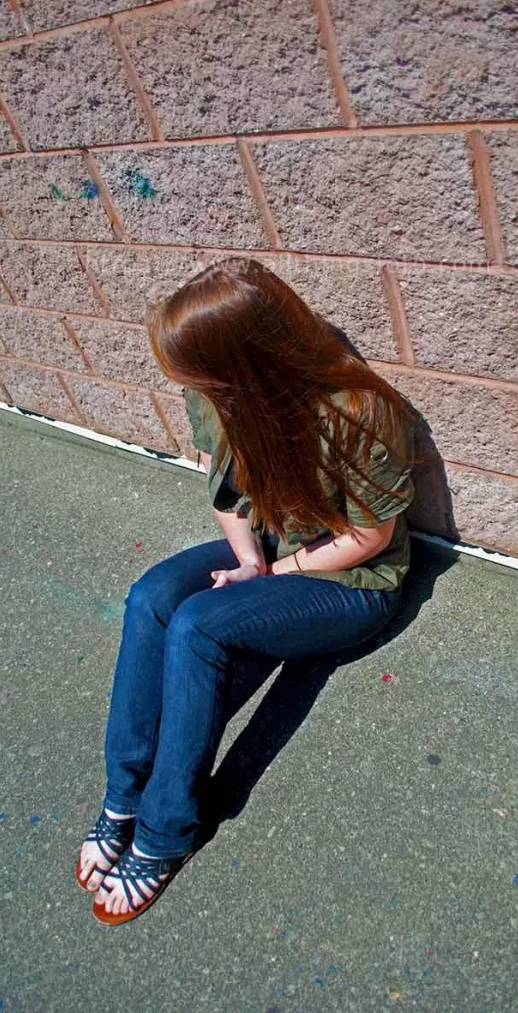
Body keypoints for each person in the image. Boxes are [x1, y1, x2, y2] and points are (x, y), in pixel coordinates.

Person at [76, 256, 417, 925]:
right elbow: (223, 487)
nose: (191, 390)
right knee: (152, 597)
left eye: (199, 376)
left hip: (351, 580)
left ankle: (164, 829)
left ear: (249, 360)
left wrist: (270, 578)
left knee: (200, 626)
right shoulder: (217, 390)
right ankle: (125, 792)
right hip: (270, 543)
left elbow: (370, 540)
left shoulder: (360, 411)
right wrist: (247, 563)